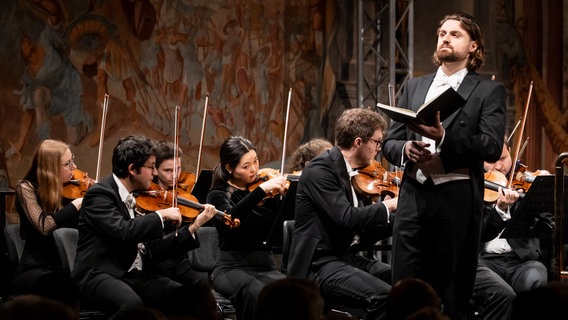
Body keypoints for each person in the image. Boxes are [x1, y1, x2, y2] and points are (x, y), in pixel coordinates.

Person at [381, 12, 506, 320]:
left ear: (473, 46)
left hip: (457, 198)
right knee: (404, 288)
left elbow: (490, 146)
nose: (446, 38)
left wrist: (445, 136)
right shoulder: (414, 86)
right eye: (442, 34)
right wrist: (406, 148)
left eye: (455, 34)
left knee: (453, 291)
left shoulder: (487, 90)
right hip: (413, 197)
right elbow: (389, 142)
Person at [71, 135, 217, 318]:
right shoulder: (100, 194)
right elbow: (123, 231)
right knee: (132, 305)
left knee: (185, 297)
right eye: (151, 167)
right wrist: (160, 215)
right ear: (132, 169)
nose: (154, 173)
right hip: (98, 273)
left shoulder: (138, 196)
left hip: (132, 274)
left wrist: (194, 226)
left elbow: (152, 248)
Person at [286, 107, 398, 320]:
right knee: (383, 296)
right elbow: (347, 217)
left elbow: (361, 230)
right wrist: (389, 207)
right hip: (318, 264)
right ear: (358, 142)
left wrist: (400, 219)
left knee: (406, 284)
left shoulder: (351, 173)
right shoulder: (320, 170)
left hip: (345, 257)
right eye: (377, 142)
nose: (379, 149)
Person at [206, 136, 288, 320]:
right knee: (257, 292)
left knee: (297, 292)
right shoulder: (217, 195)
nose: (254, 169)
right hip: (230, 268)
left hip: (265, 266)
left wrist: (281, 199)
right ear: (229, 168)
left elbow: (275, 226)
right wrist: (261, 191)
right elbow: (231, 219)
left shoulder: (268, 192)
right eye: (246, 166)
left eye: (256, 161)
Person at [471, 140, 548, 320]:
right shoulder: (473, 186)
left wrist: (543, 192)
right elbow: (475, 233)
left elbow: (549, 223)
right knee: (500, 291)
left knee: (536, 278)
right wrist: (500, 209)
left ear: (511, 153)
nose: (499, 166)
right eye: (491, 161)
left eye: (504, 158)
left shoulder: (524, 181)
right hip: (485, 261)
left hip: (521, 262)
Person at [11, 139, 82, 312]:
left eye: (72, 159)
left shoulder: (74, 189)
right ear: (51, 168)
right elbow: (44, 226)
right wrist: (76, 205)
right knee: (60, 285)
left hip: (69, 264)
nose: (74, 167)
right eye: (67, 163)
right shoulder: (26, 189)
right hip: (38, 266)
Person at [141, 140, 211, 286]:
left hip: (180, 262)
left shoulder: (182, 194)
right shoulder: (145, 199)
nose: (175, 176)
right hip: (156, 266)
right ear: (155, 170)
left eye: (178, 169)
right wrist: (195, 224)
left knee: (203, 286)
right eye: (168, 171)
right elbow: (156, 248)